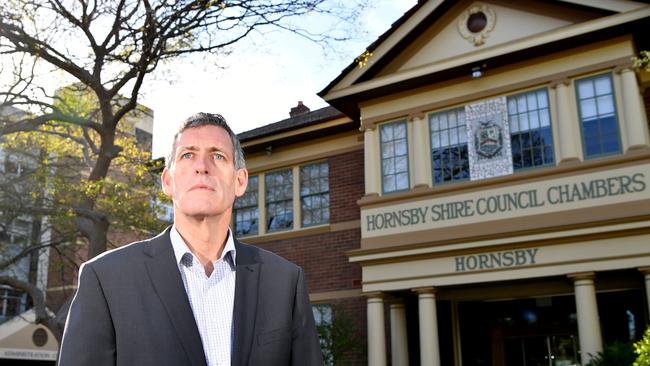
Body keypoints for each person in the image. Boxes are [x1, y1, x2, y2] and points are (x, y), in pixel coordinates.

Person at [58, 113, 323, 366]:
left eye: (217, 156)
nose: (201, 167)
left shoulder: (285, 282)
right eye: (188, 155)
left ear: (240, 181)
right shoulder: (106, 279)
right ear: (167, 181)